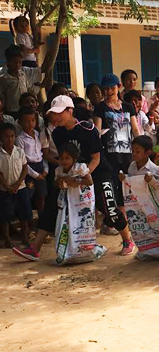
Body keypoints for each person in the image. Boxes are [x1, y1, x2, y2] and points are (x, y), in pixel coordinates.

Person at [13, 95, 135, 261]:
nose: (55, 117)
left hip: (98, 172)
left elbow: (96, 159)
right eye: (53, 114)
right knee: (52, 204)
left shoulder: (88, 129)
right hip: (72, 173)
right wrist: (65, 177)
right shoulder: (57, 133)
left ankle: (127, 240)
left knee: (108, 204)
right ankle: (35, 248)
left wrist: (82, 177)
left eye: (59, 113)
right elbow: (64, 158)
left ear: (70, 111)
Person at [93, 73, 141, 214]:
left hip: (127, 154)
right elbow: (97, 130)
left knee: (127, 185)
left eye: (111, 88)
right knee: (112, 186)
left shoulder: (127, 107)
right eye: (105, 89)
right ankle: (115, 219)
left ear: (118, 87)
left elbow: (135, 129)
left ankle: (127, 217)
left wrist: (141, 148)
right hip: (109, 155)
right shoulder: (100, 108)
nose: (109, 92)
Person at [0, 122, 31, 246]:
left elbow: (25, 168)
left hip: (21, 188)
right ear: (1, 137)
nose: (10, 139)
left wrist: (17, 184)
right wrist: (7, 186)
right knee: (5, 215)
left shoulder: (19, 151)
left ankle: (25, 237)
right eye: (6, 136)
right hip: (4, 189)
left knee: (24, 214)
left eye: (12, 136)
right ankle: (7, 239)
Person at [16, 106, 47, 217]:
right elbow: (22, 160)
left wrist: (45, 169)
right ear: (20, 122)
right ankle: (28, 223)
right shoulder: (20, 139)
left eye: (33, 120)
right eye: (26, 121)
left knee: (41, 196)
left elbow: (42, 153)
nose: (30, 124)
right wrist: (35, 175)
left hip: (40, 167)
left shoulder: (38, 135)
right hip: (28, 170)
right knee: (28, 197)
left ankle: (42, 220)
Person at [0, 45, 41, 116]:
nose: (17, 65)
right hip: (12, 111)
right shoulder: (4, 79)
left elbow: (28, 90)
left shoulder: (23, 75)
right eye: (14, 62)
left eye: (20, 62)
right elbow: (2, 97)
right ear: (8, 63)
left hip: (25, 109)